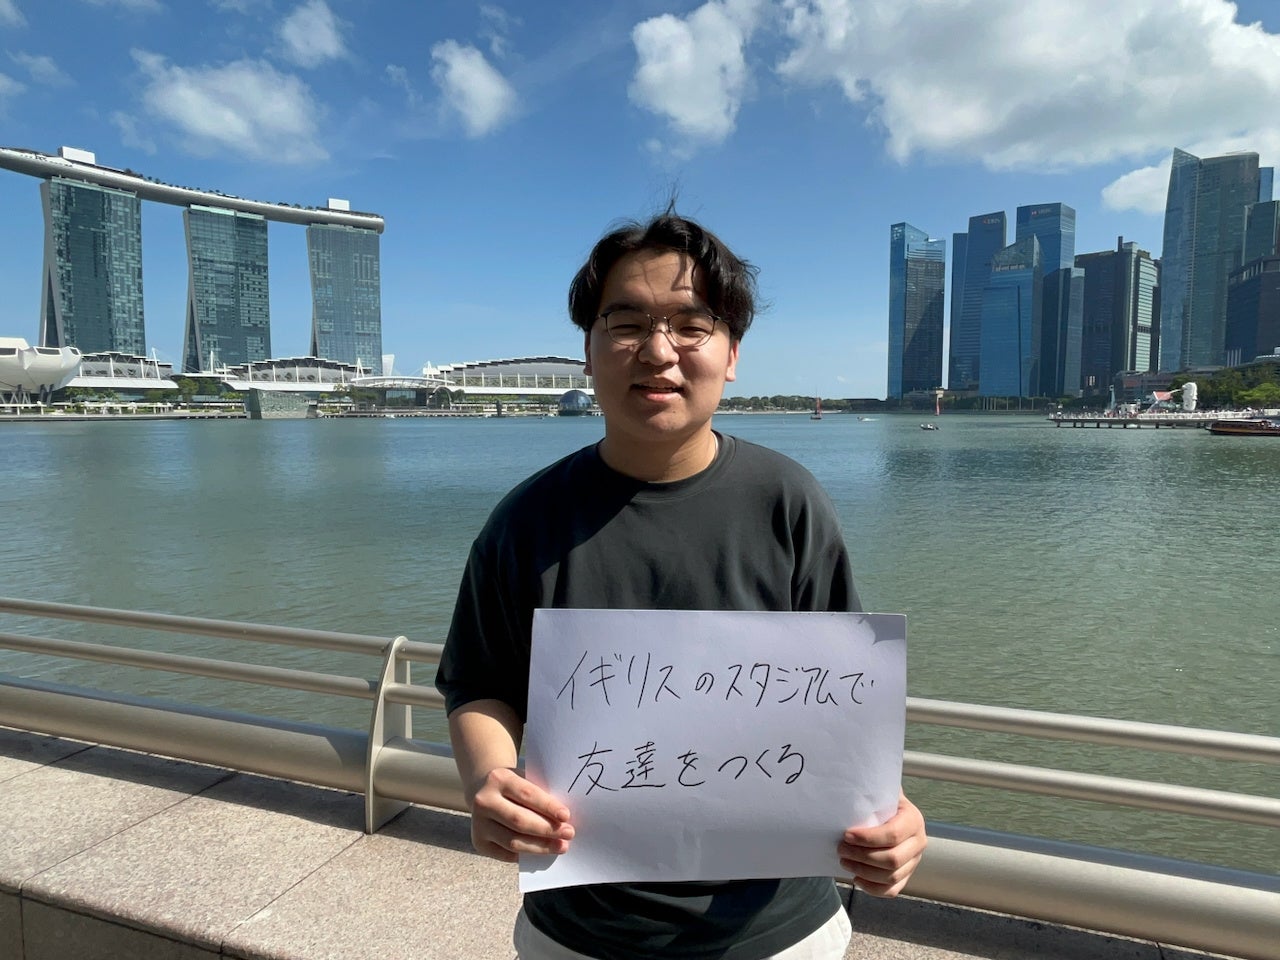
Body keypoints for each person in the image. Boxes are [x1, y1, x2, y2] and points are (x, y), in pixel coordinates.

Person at [435, 208, 927, 960]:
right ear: (589, 350)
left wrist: (889, 817)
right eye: (626, 323)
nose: (658, 351)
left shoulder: (789, 503)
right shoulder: (524, 521)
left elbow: (843, 701)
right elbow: (478, 682)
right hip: (580, 930)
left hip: (779, 930)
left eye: (692, 325)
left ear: (731, 355)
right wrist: (491, 778)